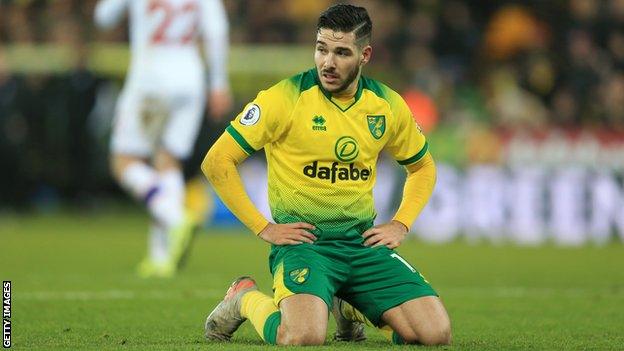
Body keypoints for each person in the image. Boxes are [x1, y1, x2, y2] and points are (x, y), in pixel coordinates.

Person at [201, 4, 451, 346]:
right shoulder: (283, 98)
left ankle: (347, 305)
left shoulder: (387, 106)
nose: (328, 63)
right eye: (322, 49)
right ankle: (244, 299)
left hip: (361, 244)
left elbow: (422, 167)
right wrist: (264, 227)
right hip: (306, 246)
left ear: (364, 55)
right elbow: (217, 161)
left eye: (341, 52)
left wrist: (401, 223)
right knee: (303, 337)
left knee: (435, 335)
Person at [94, 0, 232, 278]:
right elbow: (217, 29)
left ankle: (175, 218)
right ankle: (161, 257)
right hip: (191, 80)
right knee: (168, 160)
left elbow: (103, 17)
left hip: (151, 79)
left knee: (124, 162)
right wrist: (218, 83)